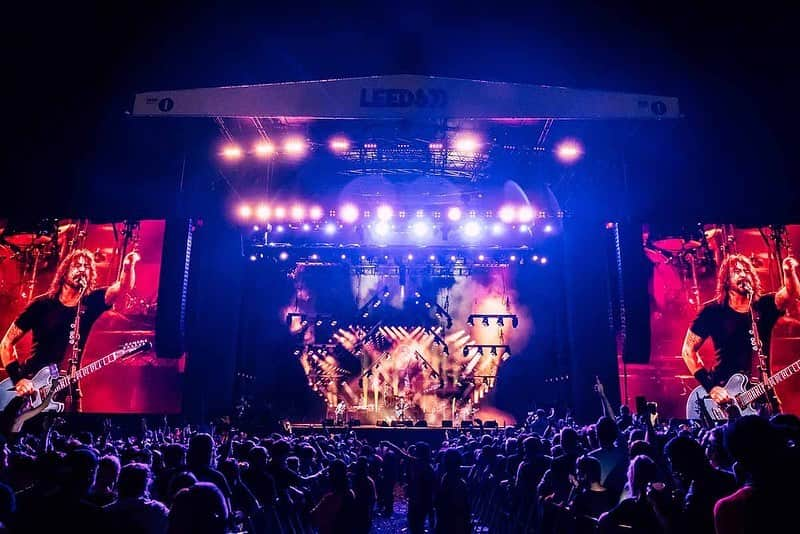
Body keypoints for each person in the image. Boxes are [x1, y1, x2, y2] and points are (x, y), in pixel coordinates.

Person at [0, 248, 140, 412]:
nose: (82, 269)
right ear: (64, 272)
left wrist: (128, 266)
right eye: (77, 265)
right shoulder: (41, 305)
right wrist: (18, 380)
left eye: (87, 266)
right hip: (32, 385)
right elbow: (6, 344)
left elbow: (122, 288)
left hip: (68, 389)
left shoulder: (92, 301)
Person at [681, 254, 799, 414]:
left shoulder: (763, 306)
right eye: (737, 271)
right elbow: (688, 351)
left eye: (747, 271)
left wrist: (789, 272)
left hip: (764, 397)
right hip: (725, 399)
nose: (744, 274)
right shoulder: (712, 312)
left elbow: (790, 294)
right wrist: (711, 388)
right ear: (726, 280)